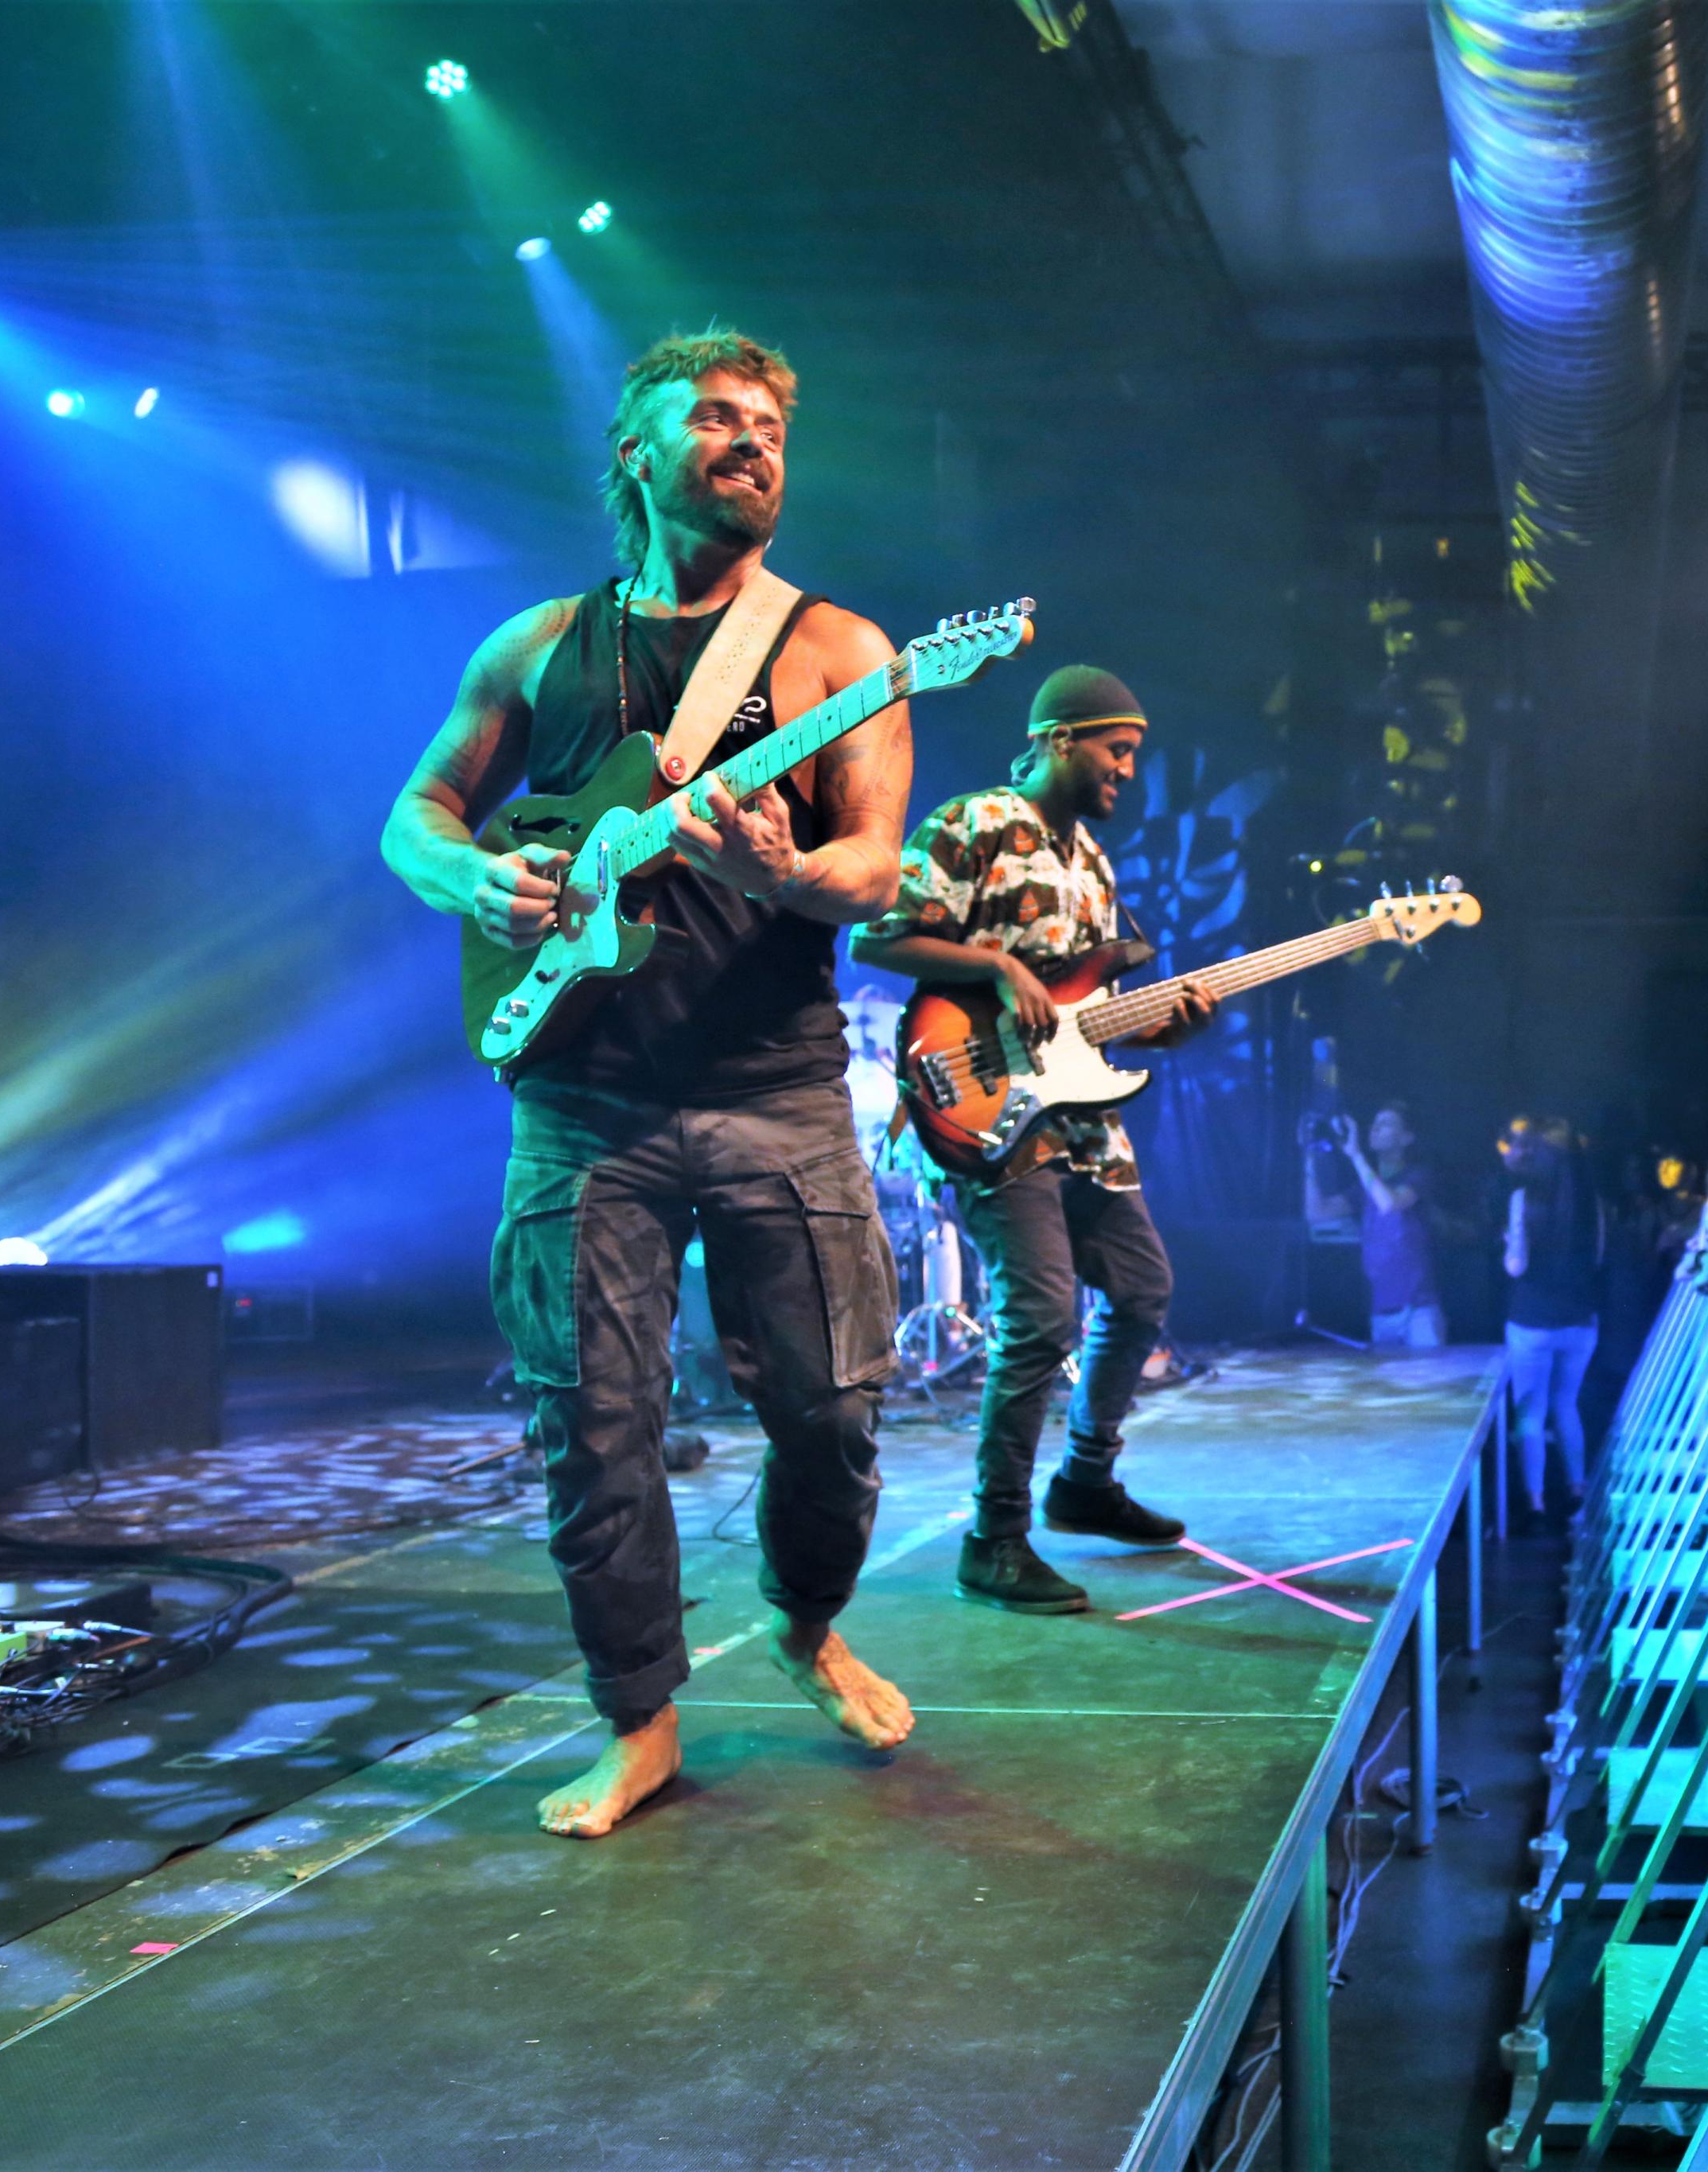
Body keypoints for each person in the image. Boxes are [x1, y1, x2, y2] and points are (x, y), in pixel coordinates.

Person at [381, 328, 920, 1837]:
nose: (754, 442)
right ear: (636, 451)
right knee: (593, 1425)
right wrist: (479, 883)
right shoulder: (539, 646)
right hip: (582, 1098)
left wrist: (786, 870)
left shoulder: (839, 653)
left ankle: (806, 1623)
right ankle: (640, 1720)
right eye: (720, 418)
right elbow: (417, 814)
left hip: (776, 1091)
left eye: (772, 427)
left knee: (831, 1411)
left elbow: (875, 871)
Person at [847, 664, 1217, 1615]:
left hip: (1083, 1125)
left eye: (1133, 755)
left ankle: (1085, 1480)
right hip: (986, 1113)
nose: (1127, 770)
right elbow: (874, 939)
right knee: (1042, 1316)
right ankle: (994, 1539)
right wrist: (990, 964)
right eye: (1116, 749)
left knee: (1142, 1291)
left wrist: (1161, 1029)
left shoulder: (1094, 862)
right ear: (1058, 739)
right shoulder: (972, 824)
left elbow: (1083, 1019)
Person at [1499, 1114, 1605, 1516]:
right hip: (1579, 1320)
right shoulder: (1592, 1201)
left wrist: (1510, 1241)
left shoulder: (1524, 1199)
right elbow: (1597, 1257)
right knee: (1567, 1404)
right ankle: (1577, 1488)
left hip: (1532, 1320)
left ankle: (1536, 1501)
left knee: (1530, 1412)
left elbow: (1516, 1266)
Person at [1336, 1102, 1442, 1348]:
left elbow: (1389, 1203)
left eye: (1386, 1124)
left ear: (1406, 1138)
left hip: (1418, 1311)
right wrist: (1310, 1154)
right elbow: (1317, 1211)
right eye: (1374, 1123)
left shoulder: (1418, 1175)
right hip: (1381, 1312)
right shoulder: (1364, 1187)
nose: (1374, 1128)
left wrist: (1356, 1156)